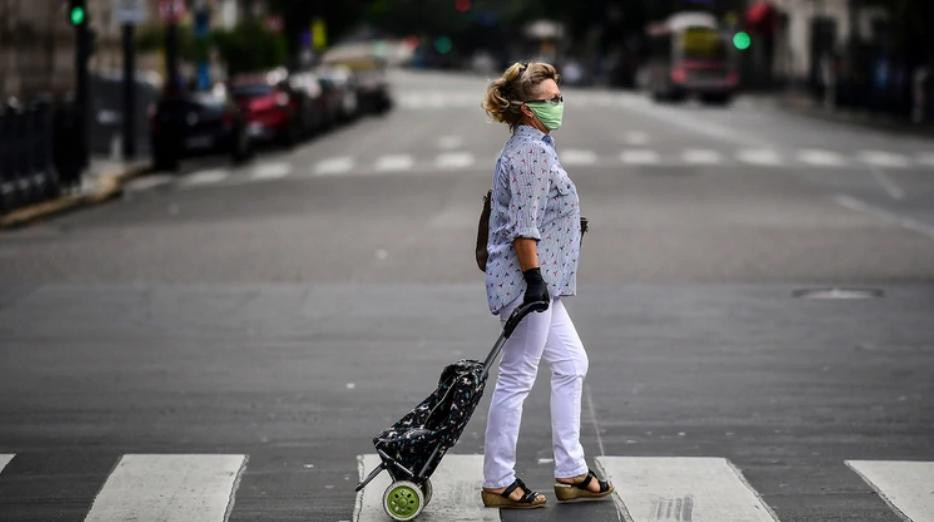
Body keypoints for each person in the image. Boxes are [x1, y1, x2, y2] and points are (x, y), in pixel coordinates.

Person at [478, 61, 614, 509]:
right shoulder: (530, 153)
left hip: (540, 282)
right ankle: (498, 480)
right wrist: (534, 279)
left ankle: (571, 472)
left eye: (560, 96)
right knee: (517, 377)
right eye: (550, 99)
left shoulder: (538, 144)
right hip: (527, 282)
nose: (559, 104)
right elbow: (524, 226)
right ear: (526, 109)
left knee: (572, 363)